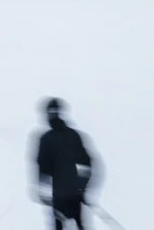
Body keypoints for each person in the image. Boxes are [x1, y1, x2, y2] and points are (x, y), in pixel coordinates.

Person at [35, 98, 96, 230]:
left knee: (58, 226)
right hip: (75, 194)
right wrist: (83, 188)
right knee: (80, 226)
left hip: (58, 195)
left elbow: (43, 168)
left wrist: (44, 192)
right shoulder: (74, 136)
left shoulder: (46, 139)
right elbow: (87, 164)